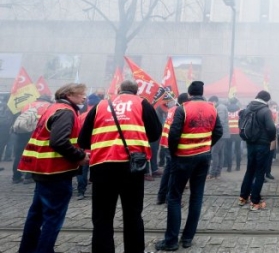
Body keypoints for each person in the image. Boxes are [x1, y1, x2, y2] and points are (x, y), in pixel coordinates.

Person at [78, 80, 162, 253]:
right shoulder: (142, 103)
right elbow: (155, 133)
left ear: (118, 90)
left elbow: (83, 140)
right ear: (136, 91)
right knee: (133, 214)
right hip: (131, 167)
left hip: (102, 166)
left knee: (102, 217)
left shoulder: (100, 105)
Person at [18, 83, 90, 253]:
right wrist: (80, 156)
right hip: (56, 172)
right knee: (53, 218)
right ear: (69, 95)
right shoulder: (66, 112)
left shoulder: (53, 109)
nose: (84, 97)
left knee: (36, 216)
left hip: (44, 170)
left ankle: (27, 249)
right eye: (81, 94)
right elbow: (58, 141)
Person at [155, 81, 223, 251]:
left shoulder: (183, 108)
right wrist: (206, 145)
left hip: (183, 157)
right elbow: (219, 131)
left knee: (174, 197)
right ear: (202, 92)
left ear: (190, 94)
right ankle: (187, 238)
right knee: (196, 197)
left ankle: (171, 241)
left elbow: (174, 133)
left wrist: (173, 153)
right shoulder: (212, 108)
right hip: (203, 158)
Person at [238, 90, 276, 211]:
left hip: (250, 143)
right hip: (262, 144)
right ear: (266, 100)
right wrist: (270, 139)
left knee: (250, 170)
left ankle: (243, 197)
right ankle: (255, 201)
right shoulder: (265, 111)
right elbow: (271, 127)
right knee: (260, 172)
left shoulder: (248, 108)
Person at [11, 94, 52, 184]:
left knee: (19, 154)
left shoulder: (28, 105)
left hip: (21, 133)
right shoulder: (48, 106)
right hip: (36, 132)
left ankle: (16, 177)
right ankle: (28, 177)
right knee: (32, 154)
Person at [157, 93, 190, 205]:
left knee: (167, 171)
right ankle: (169, 198)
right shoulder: (181, 111)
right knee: (174, 173)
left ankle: (161, 197)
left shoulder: (172, 109)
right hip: (173, 144)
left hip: (166, 142)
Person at [207, 96, 228, 180]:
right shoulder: (220, 107)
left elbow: (220, 121)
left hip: (220, 134)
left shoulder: (220, 108)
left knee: (215, 153)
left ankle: (213, 173)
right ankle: (217, 173)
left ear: (214, 101)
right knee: (220, 153)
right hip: (222, 134)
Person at [225, 98, 242, 171]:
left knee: (228, 150)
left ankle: (229, 167)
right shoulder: (240, 111)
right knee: (238, 150)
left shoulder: (226, 110)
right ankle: (238, 167)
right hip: (238, 132)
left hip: (228, 132)